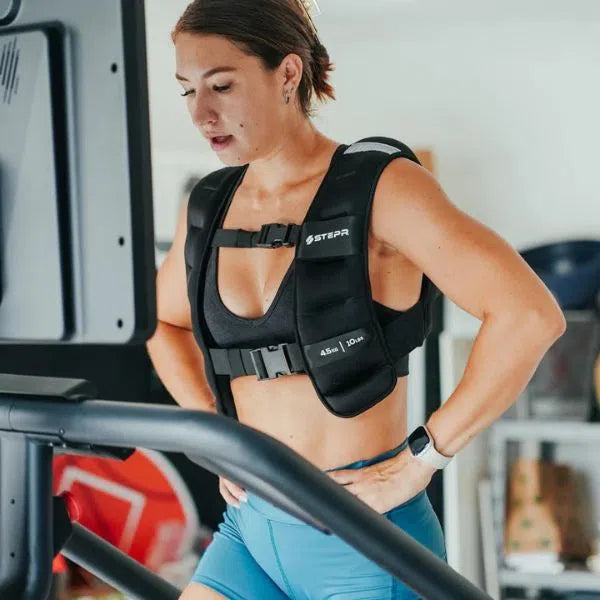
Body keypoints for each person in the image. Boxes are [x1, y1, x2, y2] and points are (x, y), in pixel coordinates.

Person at [146, 1, 566, 598]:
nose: (201, 113)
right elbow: (162, 323)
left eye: (221, 85)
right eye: (187, 90)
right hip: (250, 530)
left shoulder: (383, 186)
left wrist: (424, 457)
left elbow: (529, 315)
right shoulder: (209, 204)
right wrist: (215, 436)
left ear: (288, 75)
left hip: (364, 537)